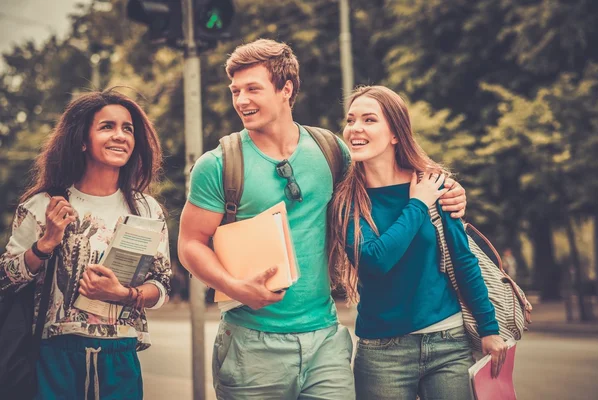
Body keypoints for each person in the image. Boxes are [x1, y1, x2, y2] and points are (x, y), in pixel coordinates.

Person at [178, 39, 467, 400]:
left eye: (253, 89)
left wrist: (446, 186)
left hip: (325, 341)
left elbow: (389, 176)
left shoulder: (332, 151)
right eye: (235, 90)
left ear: (287, 89)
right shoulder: (219, 164)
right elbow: (190, 244)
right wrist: (235, 288)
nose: (241, 100)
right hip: (251, 345)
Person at [328, 85, 507, 400]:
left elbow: (464, 261)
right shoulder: (347, 199)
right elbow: (374, 261)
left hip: (448, 343)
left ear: (395, 133)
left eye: (369, 120)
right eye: (351, 119)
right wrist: (418, 204)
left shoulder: (434, 185)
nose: (355, 128)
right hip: (382, 353)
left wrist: (489, 329)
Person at [0, 88, 171, 400]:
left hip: (120, 352)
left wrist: (124, 294)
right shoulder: (43, 205)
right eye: (107, 126)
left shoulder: (147, 210)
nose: (120, 136)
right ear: (81, 140)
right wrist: (46, 243)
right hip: (53, 353)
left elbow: (161, 287)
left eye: (127, 128)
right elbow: (5, 279)